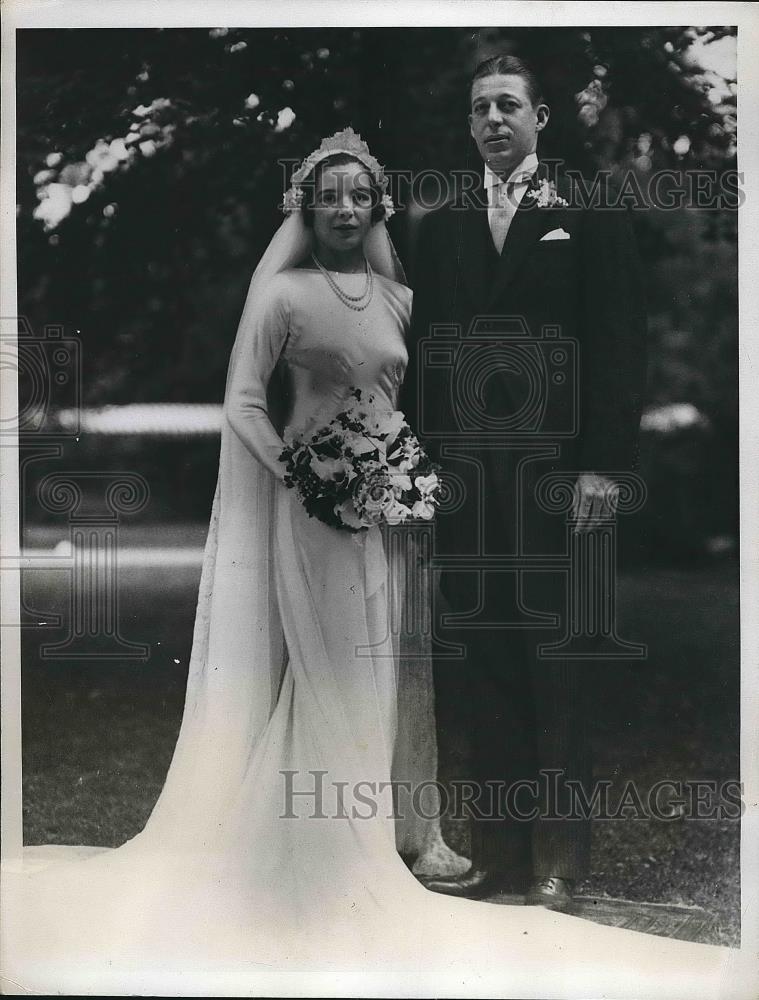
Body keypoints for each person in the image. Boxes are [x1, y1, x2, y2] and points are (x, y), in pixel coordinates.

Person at [1, 130, 729, 997]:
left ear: (376, 206)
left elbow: (428, 394)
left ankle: (385, 834)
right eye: (328, 197)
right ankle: (315, 843)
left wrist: (420, 477)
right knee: (328, 667)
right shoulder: (281, 294)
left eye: (358, 196)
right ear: (307, 208)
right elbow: (241, 402)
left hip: (389, 514)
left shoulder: (399, 298)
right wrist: (301, 475)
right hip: (311, 512)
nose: (344, 210)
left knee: (390, 669)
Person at [400, 55, 647, 910]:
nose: (494, 119)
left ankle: (560, 861)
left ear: (540, 116)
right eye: (480, 109)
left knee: (559, 664)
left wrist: (602, 466)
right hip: (470, 477)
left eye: (509, 105)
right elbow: (429, 358)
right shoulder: (444, 225)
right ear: (469, 126)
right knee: (485, 662)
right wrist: (424, 472)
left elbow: (618, 346)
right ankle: (499, 855)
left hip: (557, 475)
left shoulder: (590, 211)